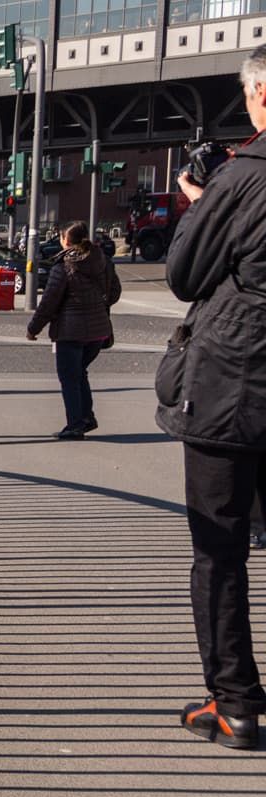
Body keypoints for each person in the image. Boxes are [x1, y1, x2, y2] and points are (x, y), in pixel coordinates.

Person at [156, 44, 266, 749]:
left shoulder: (247, 178)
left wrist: (202, 201)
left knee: (219, 548)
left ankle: (234, 703)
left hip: (237, 387)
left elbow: (186, 275)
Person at [26, 221, 119, 439]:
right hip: (98, 330)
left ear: (65, 240)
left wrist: (33, 329)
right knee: (79, 373)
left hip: (70, 332)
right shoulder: (103, 261)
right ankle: (86, 417)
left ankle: (76, 424)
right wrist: (98, 305)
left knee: (69, 377)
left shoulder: (64, 267)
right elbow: (114, 291)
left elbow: (48, 303)